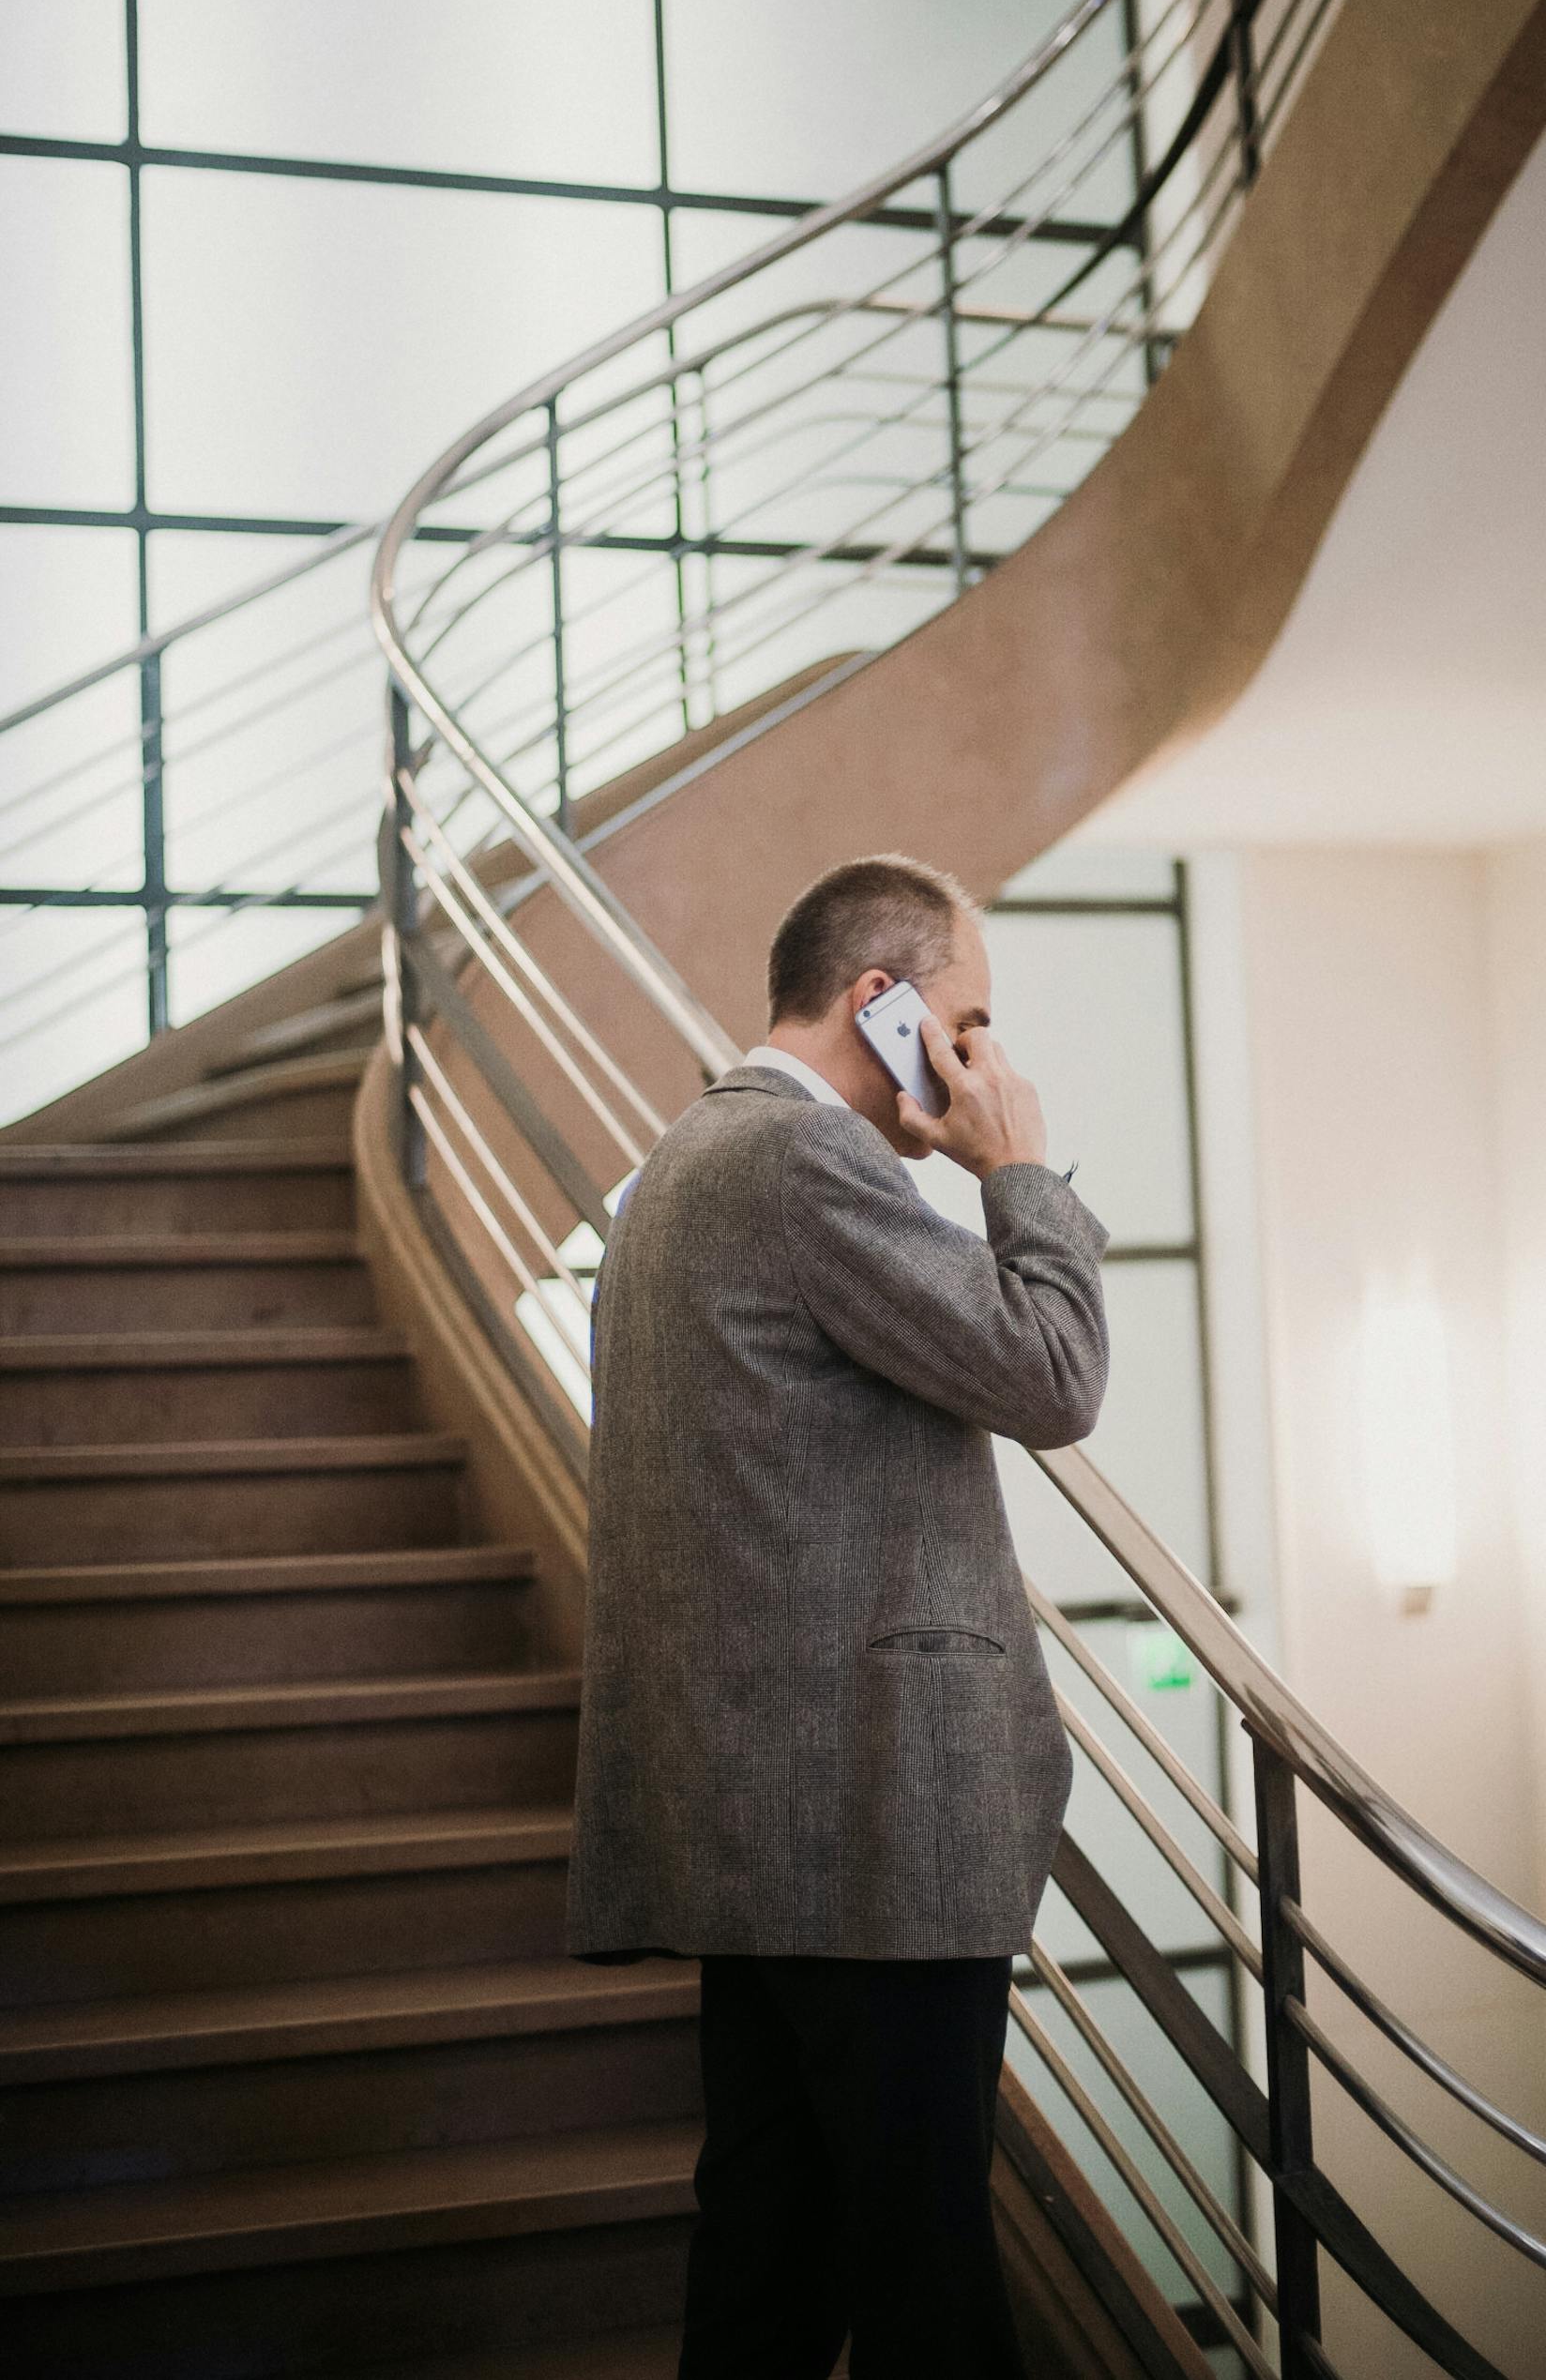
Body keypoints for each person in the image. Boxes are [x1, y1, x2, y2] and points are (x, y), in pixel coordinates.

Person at [564, 852, 1111, 2379]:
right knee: (925, 2277)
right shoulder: (805, 1167)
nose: (978, 1056)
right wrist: (1015, 1168)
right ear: (880, 1006)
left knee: (767, 2261)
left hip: (764, 1840)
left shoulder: (676, 1165)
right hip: (874, 1839)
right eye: (967, 1017)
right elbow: (1052, 1374)